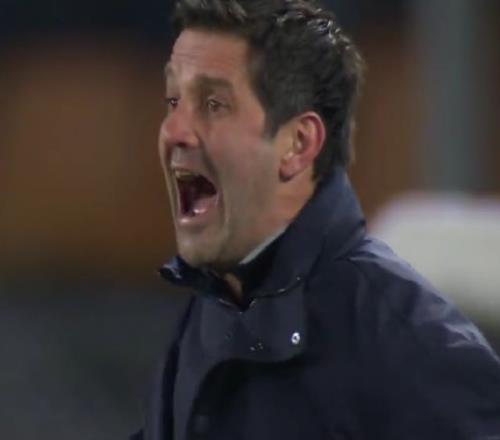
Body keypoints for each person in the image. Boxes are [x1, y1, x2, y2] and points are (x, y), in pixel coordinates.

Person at [132, 0, 500, 438]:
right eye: (174, 101)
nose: (174, 130)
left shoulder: (411, 348)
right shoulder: (210, 310)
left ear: (298, 144)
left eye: (214, 104)